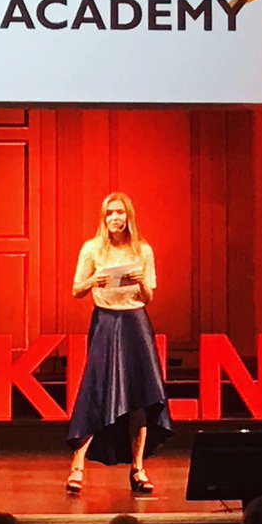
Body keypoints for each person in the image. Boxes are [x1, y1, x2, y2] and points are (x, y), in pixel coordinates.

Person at [66, 191, 173, 495]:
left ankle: (138, 468)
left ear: (129, 216)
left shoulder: (143, 250)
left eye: (120, 212)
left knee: (140, 395)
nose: (115, 218)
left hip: (135, 322)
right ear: (104, 217)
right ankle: (77, 466)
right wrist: (94, 281)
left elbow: (148, 296)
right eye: (110, 212)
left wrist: (140, 280)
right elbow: (76, 289)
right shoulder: (92, 248)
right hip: (106, 321)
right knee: (96, 389)